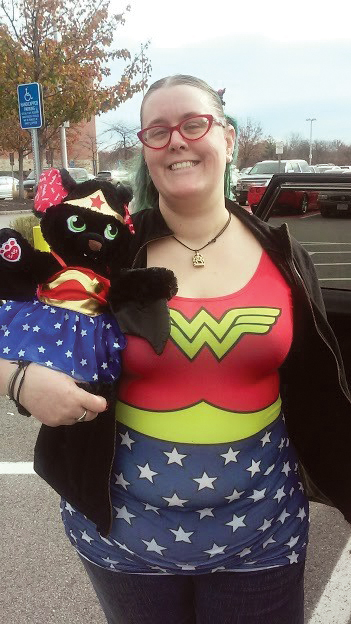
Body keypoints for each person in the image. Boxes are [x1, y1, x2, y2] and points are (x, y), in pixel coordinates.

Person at [1, 74, 351, 624]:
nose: (177, 141)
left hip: (263, 536)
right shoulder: (105, 251)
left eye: (194, 124)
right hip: (124, 539)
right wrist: (17, 378)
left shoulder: (285, 256)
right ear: (145, 149)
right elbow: (18, 311)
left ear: (228, 138)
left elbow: (321, 386)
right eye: (157, 131)